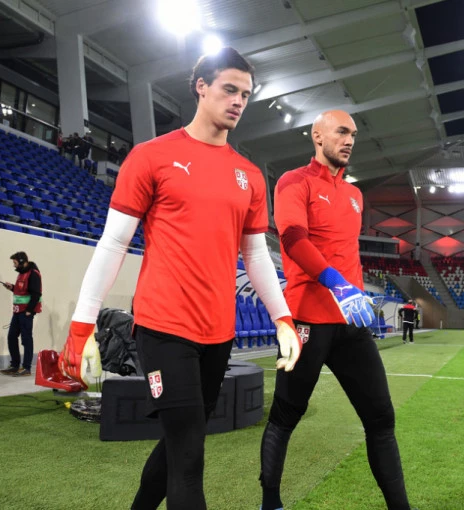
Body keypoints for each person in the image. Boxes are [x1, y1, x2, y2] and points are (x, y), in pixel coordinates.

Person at [35, 47, 302, 510]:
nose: (238, 101)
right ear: (201, 87)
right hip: (163, 328)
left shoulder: (249, 175)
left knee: (182, 440)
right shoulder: (152, 157)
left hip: (218, 333)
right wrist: (82, 325)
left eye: (245, 94)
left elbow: (256, 255)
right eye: (229, 89)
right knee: (189, 456)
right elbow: (113, 243)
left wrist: (282, 318)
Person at [259, 110, 413, 510]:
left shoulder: (355, 195)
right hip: (307, 320)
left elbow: (346, 252)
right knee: (285, 416)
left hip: (350, 324)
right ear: (317, 135)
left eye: (354, 134)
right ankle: (270, 502)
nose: (350, 140)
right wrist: (337, 284)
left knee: (381, 419)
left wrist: (355, 292)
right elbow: (292, 238)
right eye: (342, 132)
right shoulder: (294, 181)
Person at [0, 252, 42, 377]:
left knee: (26, 339)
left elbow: (36, 294)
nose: (14, 265)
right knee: (11, 337)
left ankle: (26, 368)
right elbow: (22, 291)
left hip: (26, 312)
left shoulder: (33, 274)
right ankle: (15, 365)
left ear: (22, 261)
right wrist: (12, 287)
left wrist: (29, 310)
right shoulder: (22, 273)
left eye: (15, 263)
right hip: (18, 311)